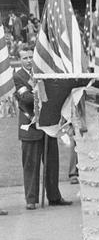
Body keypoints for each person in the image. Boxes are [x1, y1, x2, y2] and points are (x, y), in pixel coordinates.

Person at [15, 46, 72, 209]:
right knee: (31, 165)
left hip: (48, 124)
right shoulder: (18, 77)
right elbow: (25, 98)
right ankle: (31, 200)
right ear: (20, 60)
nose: (28, 60)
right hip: (30, 127)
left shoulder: (43, 74)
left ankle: (54, 196)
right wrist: (43, 95)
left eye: (31, 57)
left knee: (52, 163)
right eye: (25, 58)